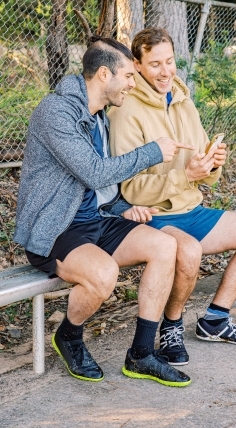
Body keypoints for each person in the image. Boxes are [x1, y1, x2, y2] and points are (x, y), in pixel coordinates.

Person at [14, 35, 194, 387]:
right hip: (55, 229)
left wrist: (122, 207)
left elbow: (99, 184)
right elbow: (93, 172)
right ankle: (69, 336)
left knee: (165, 247)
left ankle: (142, 354)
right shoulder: (56, 113)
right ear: (103, 75)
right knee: (104, 274)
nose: (133, 82)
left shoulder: (99, 116)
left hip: (96, 220)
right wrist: (153, 151)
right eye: (128, 75)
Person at [108, 27, 236, 367]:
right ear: (137, 67)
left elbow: (203, 169)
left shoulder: (183, 100)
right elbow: (129, 189)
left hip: (191, 208)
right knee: (189, 250)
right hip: (154, 217)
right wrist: (185, 176)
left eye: (169, 61)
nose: (166, 71)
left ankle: (215, 319)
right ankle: (171, 326)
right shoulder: (125, 111)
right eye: (155, 64)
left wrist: (211, 163)